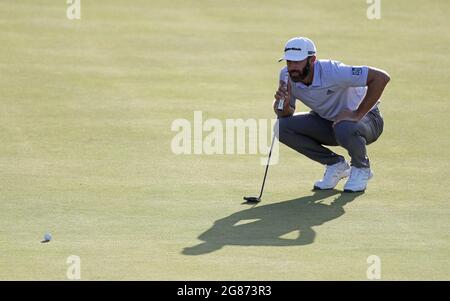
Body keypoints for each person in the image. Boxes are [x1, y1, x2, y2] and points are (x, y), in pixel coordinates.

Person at [274, 37, 390, 192]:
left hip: (368, 120)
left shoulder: (333, 71)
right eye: (289, 62)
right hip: (329, 122)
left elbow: (381, 77)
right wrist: (283, 104)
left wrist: (357, 114)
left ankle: (362, 168)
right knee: (281, 127)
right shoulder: (287, 76)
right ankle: (336, 164)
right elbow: (285, 114)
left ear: (312, 60)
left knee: (345, 126)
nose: (292, 67)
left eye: (297, 62)